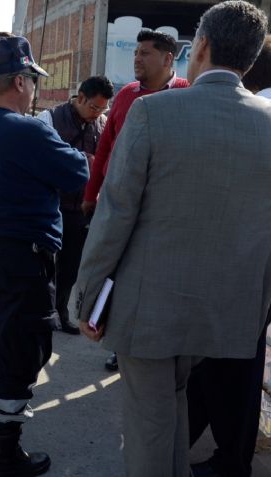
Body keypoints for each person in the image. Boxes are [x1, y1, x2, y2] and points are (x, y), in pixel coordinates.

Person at [72, 2, 271, 476]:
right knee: (173, 409)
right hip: (225, 313)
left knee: (150, 431)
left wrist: (86, 297)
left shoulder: (152, 113)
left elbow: (115, 216)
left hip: (147, 311)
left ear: (201, 46)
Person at [0, 36, 88, 476]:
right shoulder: (30, 129)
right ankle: (4, 455)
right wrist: (49, 132)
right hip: (22, 258)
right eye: (31, 80)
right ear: (18, 82)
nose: (34, 89)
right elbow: (77, 172)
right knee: (19, 348)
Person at [185, 34, 271, 477]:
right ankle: (194, 441)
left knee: (231, 361)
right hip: (269, 255)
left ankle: (231, 461)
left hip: (260, 256)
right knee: (224, 356)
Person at [81, 28, 189, 371]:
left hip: (161, 210)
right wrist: (90, 194)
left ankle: (154, 342)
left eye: (145, 53)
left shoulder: (187, 94)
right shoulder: (127, 96)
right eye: (136, 52)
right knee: (117, 273)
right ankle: (115, 338)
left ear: (168, 59)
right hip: (118, 204)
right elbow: (104, 150)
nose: (137, 58)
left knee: (154, 278)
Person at [36, 76, 114, 334]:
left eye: (103, 109)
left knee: (70, 268)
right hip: (51, 208)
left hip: (80, 210)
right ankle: (42, 312)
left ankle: (62, 311)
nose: (98, 114)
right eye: (94, 107)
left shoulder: (102, 125)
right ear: (80, 98)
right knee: (44, 265)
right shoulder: (49, 120)